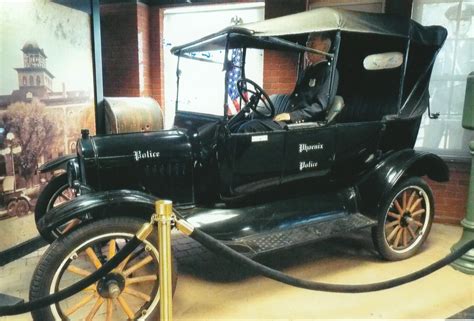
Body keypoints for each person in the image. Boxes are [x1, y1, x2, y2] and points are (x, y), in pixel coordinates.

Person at [236, 32, 339, 133]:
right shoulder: (308, 70)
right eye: (307, 43)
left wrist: (292, 116)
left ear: (324, 48)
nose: (307, 47)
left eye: (312, 43)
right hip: (289, 121)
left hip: (304, 125)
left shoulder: (328, 72)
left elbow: (320, 106)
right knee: (239, 123)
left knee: (248, 128)